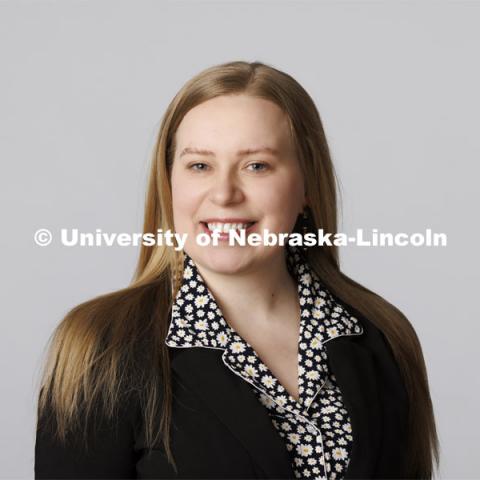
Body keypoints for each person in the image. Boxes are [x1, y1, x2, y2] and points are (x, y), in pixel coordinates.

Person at [34, 60, 439, 479]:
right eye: (199, 166)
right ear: (169, 183)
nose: (224, 193)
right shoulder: (101, 347)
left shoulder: (382, 335)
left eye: (257, 165)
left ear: (307, 186)